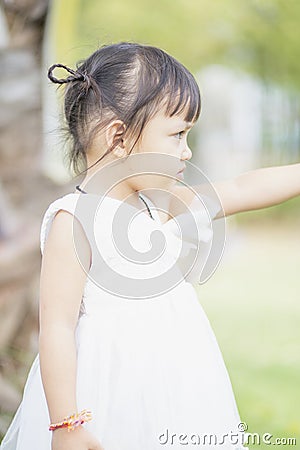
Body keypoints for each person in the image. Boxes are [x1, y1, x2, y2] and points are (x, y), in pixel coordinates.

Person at [1, 42, 299, 450]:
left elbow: (242, 188)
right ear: (119, 137)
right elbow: (57, 328)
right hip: (108, 397)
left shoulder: (159, 209)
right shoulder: (75, 220)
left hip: (177, 389)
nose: (186, 151)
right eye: (177, 135)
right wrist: (66, 424)